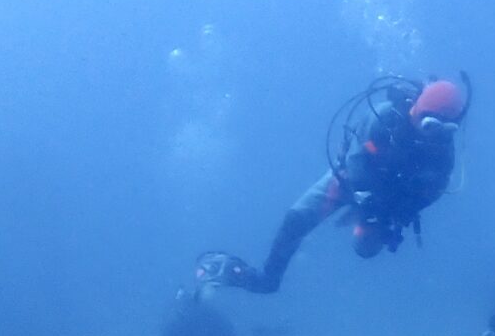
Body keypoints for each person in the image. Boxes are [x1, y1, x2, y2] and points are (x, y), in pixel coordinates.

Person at [196, 74, 471, 294]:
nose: (433, 133)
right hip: (351, 181)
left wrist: (397, 209)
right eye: (429, 122)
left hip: (389, 201)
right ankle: (261, 279)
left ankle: (364, 223)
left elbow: (435, 189)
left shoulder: (442, 149)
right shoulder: (384, 118)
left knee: (365, 250)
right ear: (415, 109)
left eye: (445, 127)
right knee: (296, 219)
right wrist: (367, 199)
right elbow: (356, 161)